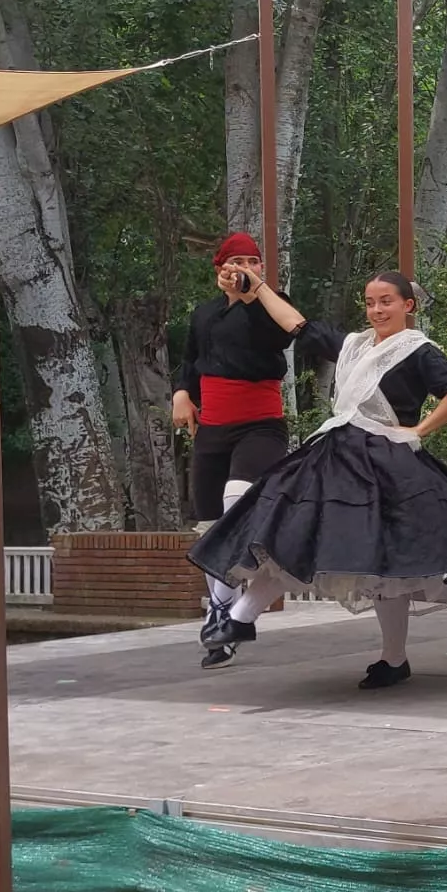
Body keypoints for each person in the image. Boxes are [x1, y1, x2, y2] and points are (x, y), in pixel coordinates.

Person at [190, 271, 447, 688]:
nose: (377, 310)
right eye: (371, 302)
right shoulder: (354, 347)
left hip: (385, 463)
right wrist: (261, 287)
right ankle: (242, 617)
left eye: (387, 301)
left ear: (408, 306)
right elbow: (297, 325)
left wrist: (418, 430)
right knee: (290, 534)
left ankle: (392, 658)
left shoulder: (417, 349)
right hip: (334, 455)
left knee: (385, 565)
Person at [171, 233, 300, 671]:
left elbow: (281, 339)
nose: (245, 266)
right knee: (210, 524)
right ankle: (221, 610)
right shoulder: (204, 313)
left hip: (260, 422)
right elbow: (192, 358)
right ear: (219, 269)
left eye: (253, 261)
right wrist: (182, 392)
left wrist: (251, 296)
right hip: (213, 427)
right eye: (236, 260)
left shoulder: (268, 305)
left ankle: (231, 608)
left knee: (236, 499)